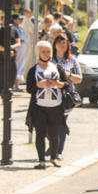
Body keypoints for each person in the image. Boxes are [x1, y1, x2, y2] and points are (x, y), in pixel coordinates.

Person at [26, 40, 68, 169]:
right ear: (38, 53)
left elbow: (66, 84)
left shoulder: (57, 67)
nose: (46, 54)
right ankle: (41, 161)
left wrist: (58, 84)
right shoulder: (34, 69)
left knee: (54, 134)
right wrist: (39, 84)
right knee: (40, 134)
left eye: (48, 51)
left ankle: (53, 158)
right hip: (39, 107)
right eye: (43, 51)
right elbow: (29, 88)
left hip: (55, 106)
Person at [52, 34, 82, 159]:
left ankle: (58, 151)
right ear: (55, 45)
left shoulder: (72, 60)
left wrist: (67, 74)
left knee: (61, 122)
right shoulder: (50, 59)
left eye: (64, 43)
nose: (62, 45)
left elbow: (79, 79)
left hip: (66, 96)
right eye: (59, 42)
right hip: (51, 95)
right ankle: (53, 145)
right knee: (49, 123)